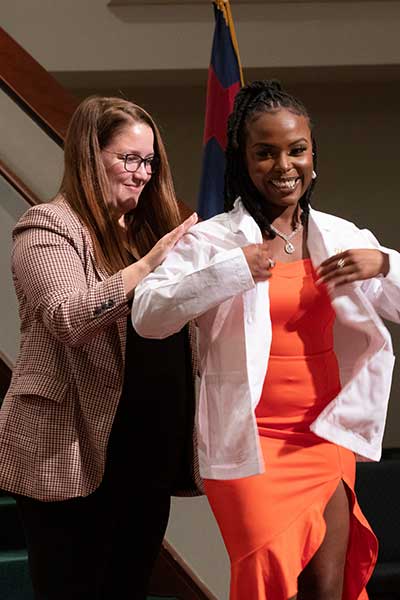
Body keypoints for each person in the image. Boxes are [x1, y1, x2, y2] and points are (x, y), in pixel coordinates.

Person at [131, 79, 400, 600]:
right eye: (266, 153)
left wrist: (385, 264)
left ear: (313, 157)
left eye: (296, 150)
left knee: (328, 587)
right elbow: (148, 314)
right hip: (249, 443)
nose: (283, 166)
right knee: (266, 578)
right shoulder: (214, 240)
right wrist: (232, 271)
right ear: (243, 160)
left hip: (325, 437)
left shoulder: (342, 236)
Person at [0, 95, 201, 600]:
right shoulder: (47, 226)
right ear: (90, 155)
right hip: (70, 448)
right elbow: (69, 317)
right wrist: (150, 265)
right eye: (129, 158)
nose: (142, 173)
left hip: (147, 452)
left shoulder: (146, 232)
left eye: (149, 161)